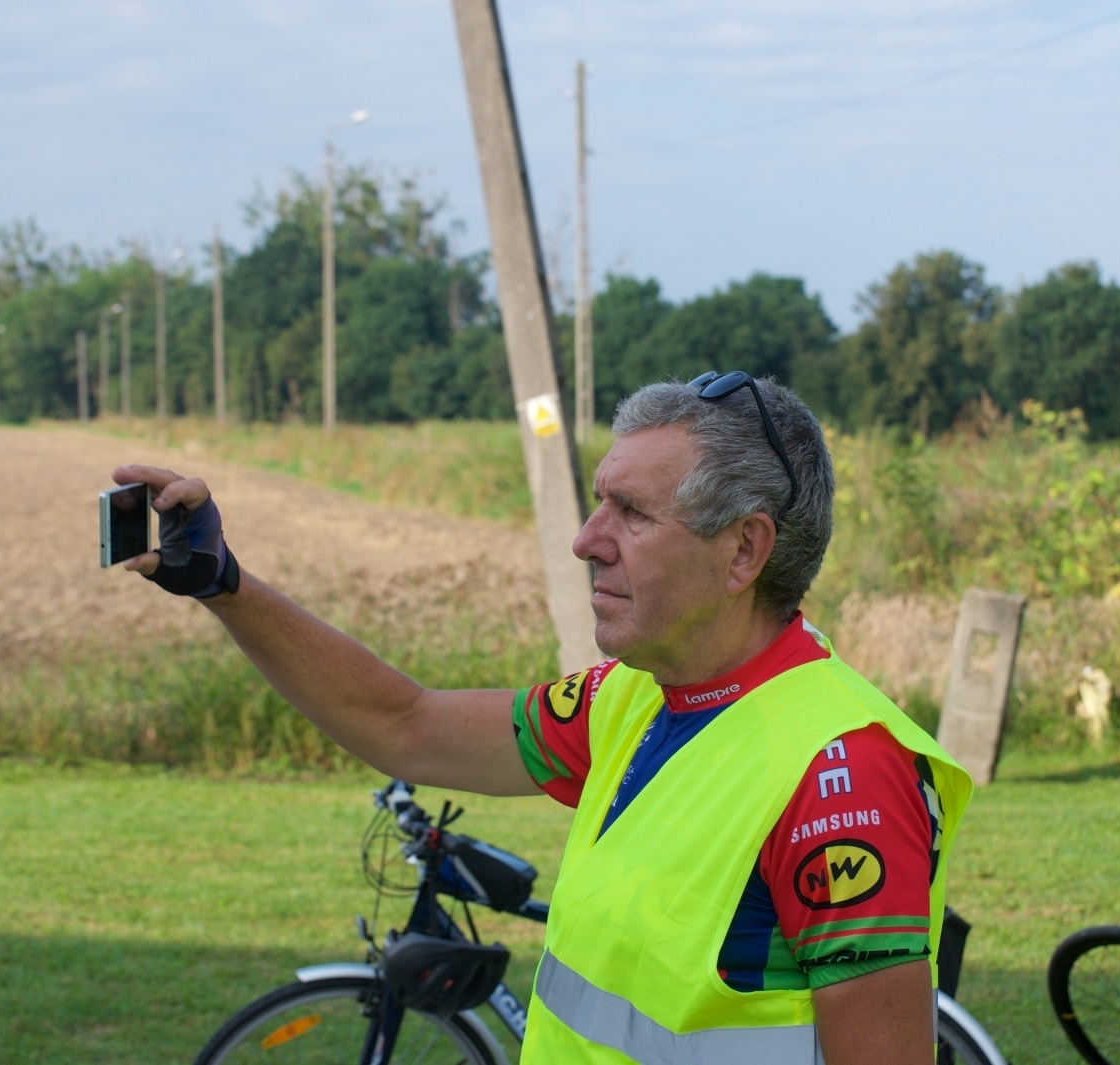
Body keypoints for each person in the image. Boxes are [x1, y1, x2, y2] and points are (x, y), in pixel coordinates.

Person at [115, 372, 971, 1065]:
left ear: (744, 549)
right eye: (600, 501)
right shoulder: (631, 696)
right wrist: (225, 584)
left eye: (632, 512)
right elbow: (404, 723)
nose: (587, 538)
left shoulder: (843, 771)